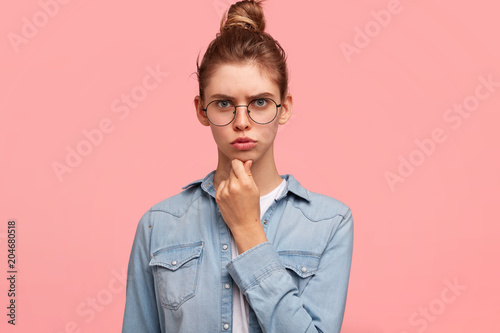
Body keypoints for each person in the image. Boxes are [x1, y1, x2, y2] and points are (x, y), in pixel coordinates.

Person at [122, 1, 353, 332]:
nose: (242, 122)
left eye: (259, 103)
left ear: (284, 108)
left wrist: (248, 229)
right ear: (202, 111)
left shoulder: (329, 223)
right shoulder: (157, 226)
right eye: (224, 104)